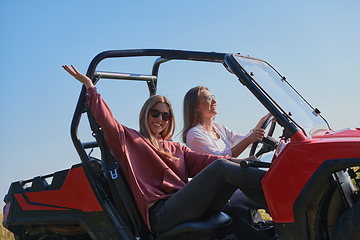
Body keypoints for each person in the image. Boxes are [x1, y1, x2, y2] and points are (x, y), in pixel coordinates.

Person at [63, 65, 267, 234]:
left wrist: (244, 162)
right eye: (155, 113)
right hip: (161, 212)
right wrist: (91, 88)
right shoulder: (130, 140)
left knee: (234, 183)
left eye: (166, 116)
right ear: (146, 114)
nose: (160, 119)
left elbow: (205, 161)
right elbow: (107, 122)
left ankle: (281, 202)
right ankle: (285, 185)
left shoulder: (175, 148)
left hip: (184, 204)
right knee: (222, 168)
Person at [182, 86, 271, 225]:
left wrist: (263, 121)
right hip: (222, 192)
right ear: (196, 107)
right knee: (270, 195)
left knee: (272, 187)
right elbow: (219, 162)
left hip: (235, 183)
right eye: (208, 98)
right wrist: (245, 155)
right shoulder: (194, 134)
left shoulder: (219, 127)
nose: (214, 101)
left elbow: (243, 140)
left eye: (213, 96)